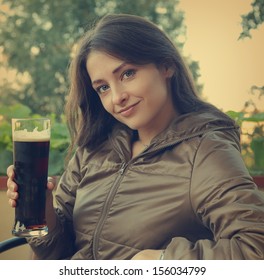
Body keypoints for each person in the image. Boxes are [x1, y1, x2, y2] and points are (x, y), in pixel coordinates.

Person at [6, 14, 264, 260]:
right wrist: (44, 208)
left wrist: (162, 261)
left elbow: (255, 248)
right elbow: (55, 251)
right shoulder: (93, 150)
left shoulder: (206, 150)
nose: (117, 97)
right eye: (103, 88)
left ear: (166, 65)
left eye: (127, 73)